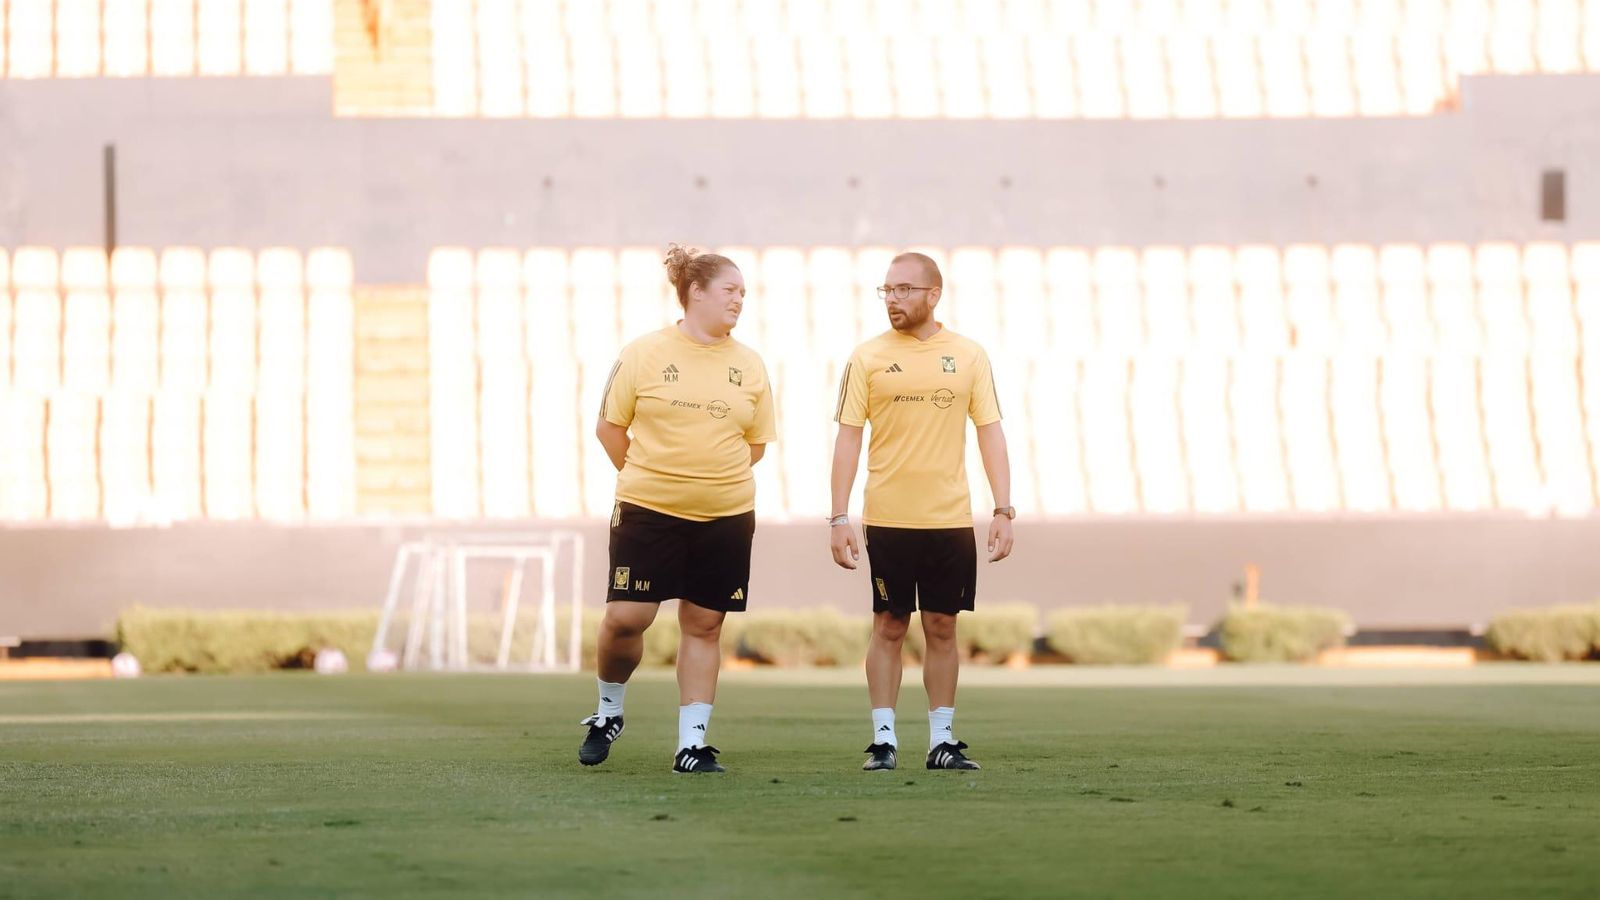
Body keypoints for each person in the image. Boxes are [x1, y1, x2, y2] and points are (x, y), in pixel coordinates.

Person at [578, 244, 777, 774]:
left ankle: (691, 744)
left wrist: (711, 479)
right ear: (695, 293)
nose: (740, 300)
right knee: (627, 618)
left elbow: (756, 445)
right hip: (649, 508)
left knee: (704, 625)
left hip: (727, 513)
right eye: (730, 290)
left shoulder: (749, 364)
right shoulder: (643, 352)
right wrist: (651, 477)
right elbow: (609, 427)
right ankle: (607, 711)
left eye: (744, 293)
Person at [828, 251, 1016, 772]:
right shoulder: (866, 358)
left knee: (942, 626)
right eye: (887, 290)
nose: (893, 299)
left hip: (950, 519)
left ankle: (943, 741)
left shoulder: (969, 355)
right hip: (888, 518)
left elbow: (990, 431)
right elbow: (847, 438)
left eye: (904, 289)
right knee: (888, 624)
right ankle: (884, 740)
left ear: (934, 294)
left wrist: (1003, 509)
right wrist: (838, 516)